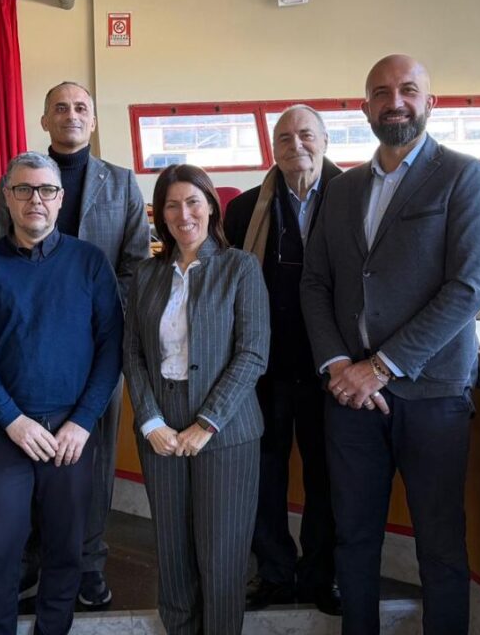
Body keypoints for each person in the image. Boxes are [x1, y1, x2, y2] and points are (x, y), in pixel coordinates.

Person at [300, 54, 480, 635]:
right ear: (365, 107)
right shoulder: (342, 190)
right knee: (353, 538)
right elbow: (315, 283)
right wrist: (339, 365)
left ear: (430, 103)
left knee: (439, 544)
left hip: (432, 394)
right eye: (382, 92)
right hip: (350, 398)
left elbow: (469, 288)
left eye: (408, 90)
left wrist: (381, 367)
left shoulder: (465, 176)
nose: (395, 102)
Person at [0, 81, 150, 607]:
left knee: (92, 461)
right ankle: (38, 556)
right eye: (60, 107)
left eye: (81, 107)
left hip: (101, 346)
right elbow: (4, 258)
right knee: (34, 456)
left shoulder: (121, 183)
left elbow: (135, 266)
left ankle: (89, 564)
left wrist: (96, 316)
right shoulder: (18, 178)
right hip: (31, 346)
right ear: (45, 120)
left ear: (94, 120)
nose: (71, 115)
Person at [0, 151, 124, 634]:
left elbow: (111, 348)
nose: (36, 199)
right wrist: (13, 420)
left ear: (60, 199)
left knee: (65, 551)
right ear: (7, 197)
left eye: (46, 190)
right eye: (24, 189)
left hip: (71, 434)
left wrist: (83, 422)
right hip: (3, 430)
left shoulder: (90, 262)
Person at [123, 164, 271, 634]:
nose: (183, 214)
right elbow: (133, 353)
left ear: (211, 206)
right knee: (172, 552)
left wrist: (206, 423)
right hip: (160, 427)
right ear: (160, 214)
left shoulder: (240, 267)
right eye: (171, 205)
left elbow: (253, 354)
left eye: (192, 202)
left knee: (222, 555)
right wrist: (150, 420)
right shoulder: (147, 274)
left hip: (226, 429)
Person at [224, 105, 344, 615]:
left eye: (307, 135)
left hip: (332, 368)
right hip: (264, 368)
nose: (297, 145)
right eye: (285, 137)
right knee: (263, 476)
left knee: (328, 476)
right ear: (272, 148)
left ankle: (321, 575)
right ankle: (273, 571)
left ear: (325, 140)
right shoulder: (243, 210)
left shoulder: (353, 198)